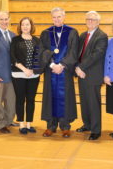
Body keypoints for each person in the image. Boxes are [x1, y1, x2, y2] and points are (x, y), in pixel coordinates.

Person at [39, 7, 79, 138]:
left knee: (65, 97)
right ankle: (51, 126)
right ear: (51, 18)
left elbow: (74, 52)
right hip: (51, 71)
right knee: (50, 96)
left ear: (64, 16)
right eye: (54, 17)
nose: (56, 19)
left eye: (59, 17)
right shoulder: (46, 33)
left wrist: (61, 65)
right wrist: (51, 64)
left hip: (64, 70)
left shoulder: (72, 32)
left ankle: (65, 126)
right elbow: (43, 51)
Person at [75, 11, 108, 140]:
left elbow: (96, 55)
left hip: (93, 75)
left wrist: (81, 67)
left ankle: (95, 130)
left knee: (94, 103)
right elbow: (78, 53)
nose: (90, 21)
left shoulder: (102, 36)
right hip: (81, 74)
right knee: (84, 101)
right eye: (88, 19)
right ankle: (87, 124)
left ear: (98, 22)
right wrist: (77, 68)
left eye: (93, 20)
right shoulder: (83, 35)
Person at [10, 17, 41, 134]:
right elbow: (13, 57)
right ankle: (21, 124)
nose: (25, 27)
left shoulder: (37, 40)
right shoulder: (15, 40)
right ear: (20, 27)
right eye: (23, 25)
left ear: (31, 26)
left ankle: (29, 124)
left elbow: (39, 57)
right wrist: (24, 69)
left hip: (33, 75)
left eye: (27, 24)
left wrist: (33, 70)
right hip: (19, 74)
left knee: (31, 99)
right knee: (20, 99)